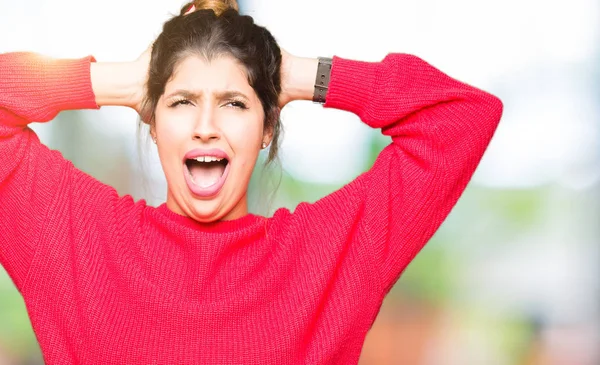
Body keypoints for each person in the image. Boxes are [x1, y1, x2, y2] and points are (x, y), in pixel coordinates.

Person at [0, 0, 503, 364]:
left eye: (234, 103)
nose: (205, 125)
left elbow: (462, 118)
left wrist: (292, 73)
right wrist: (129, 80)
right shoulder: (76, 240)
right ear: (152, 123)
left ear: (267, 128)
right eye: (181, 102)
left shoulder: (329, 255)